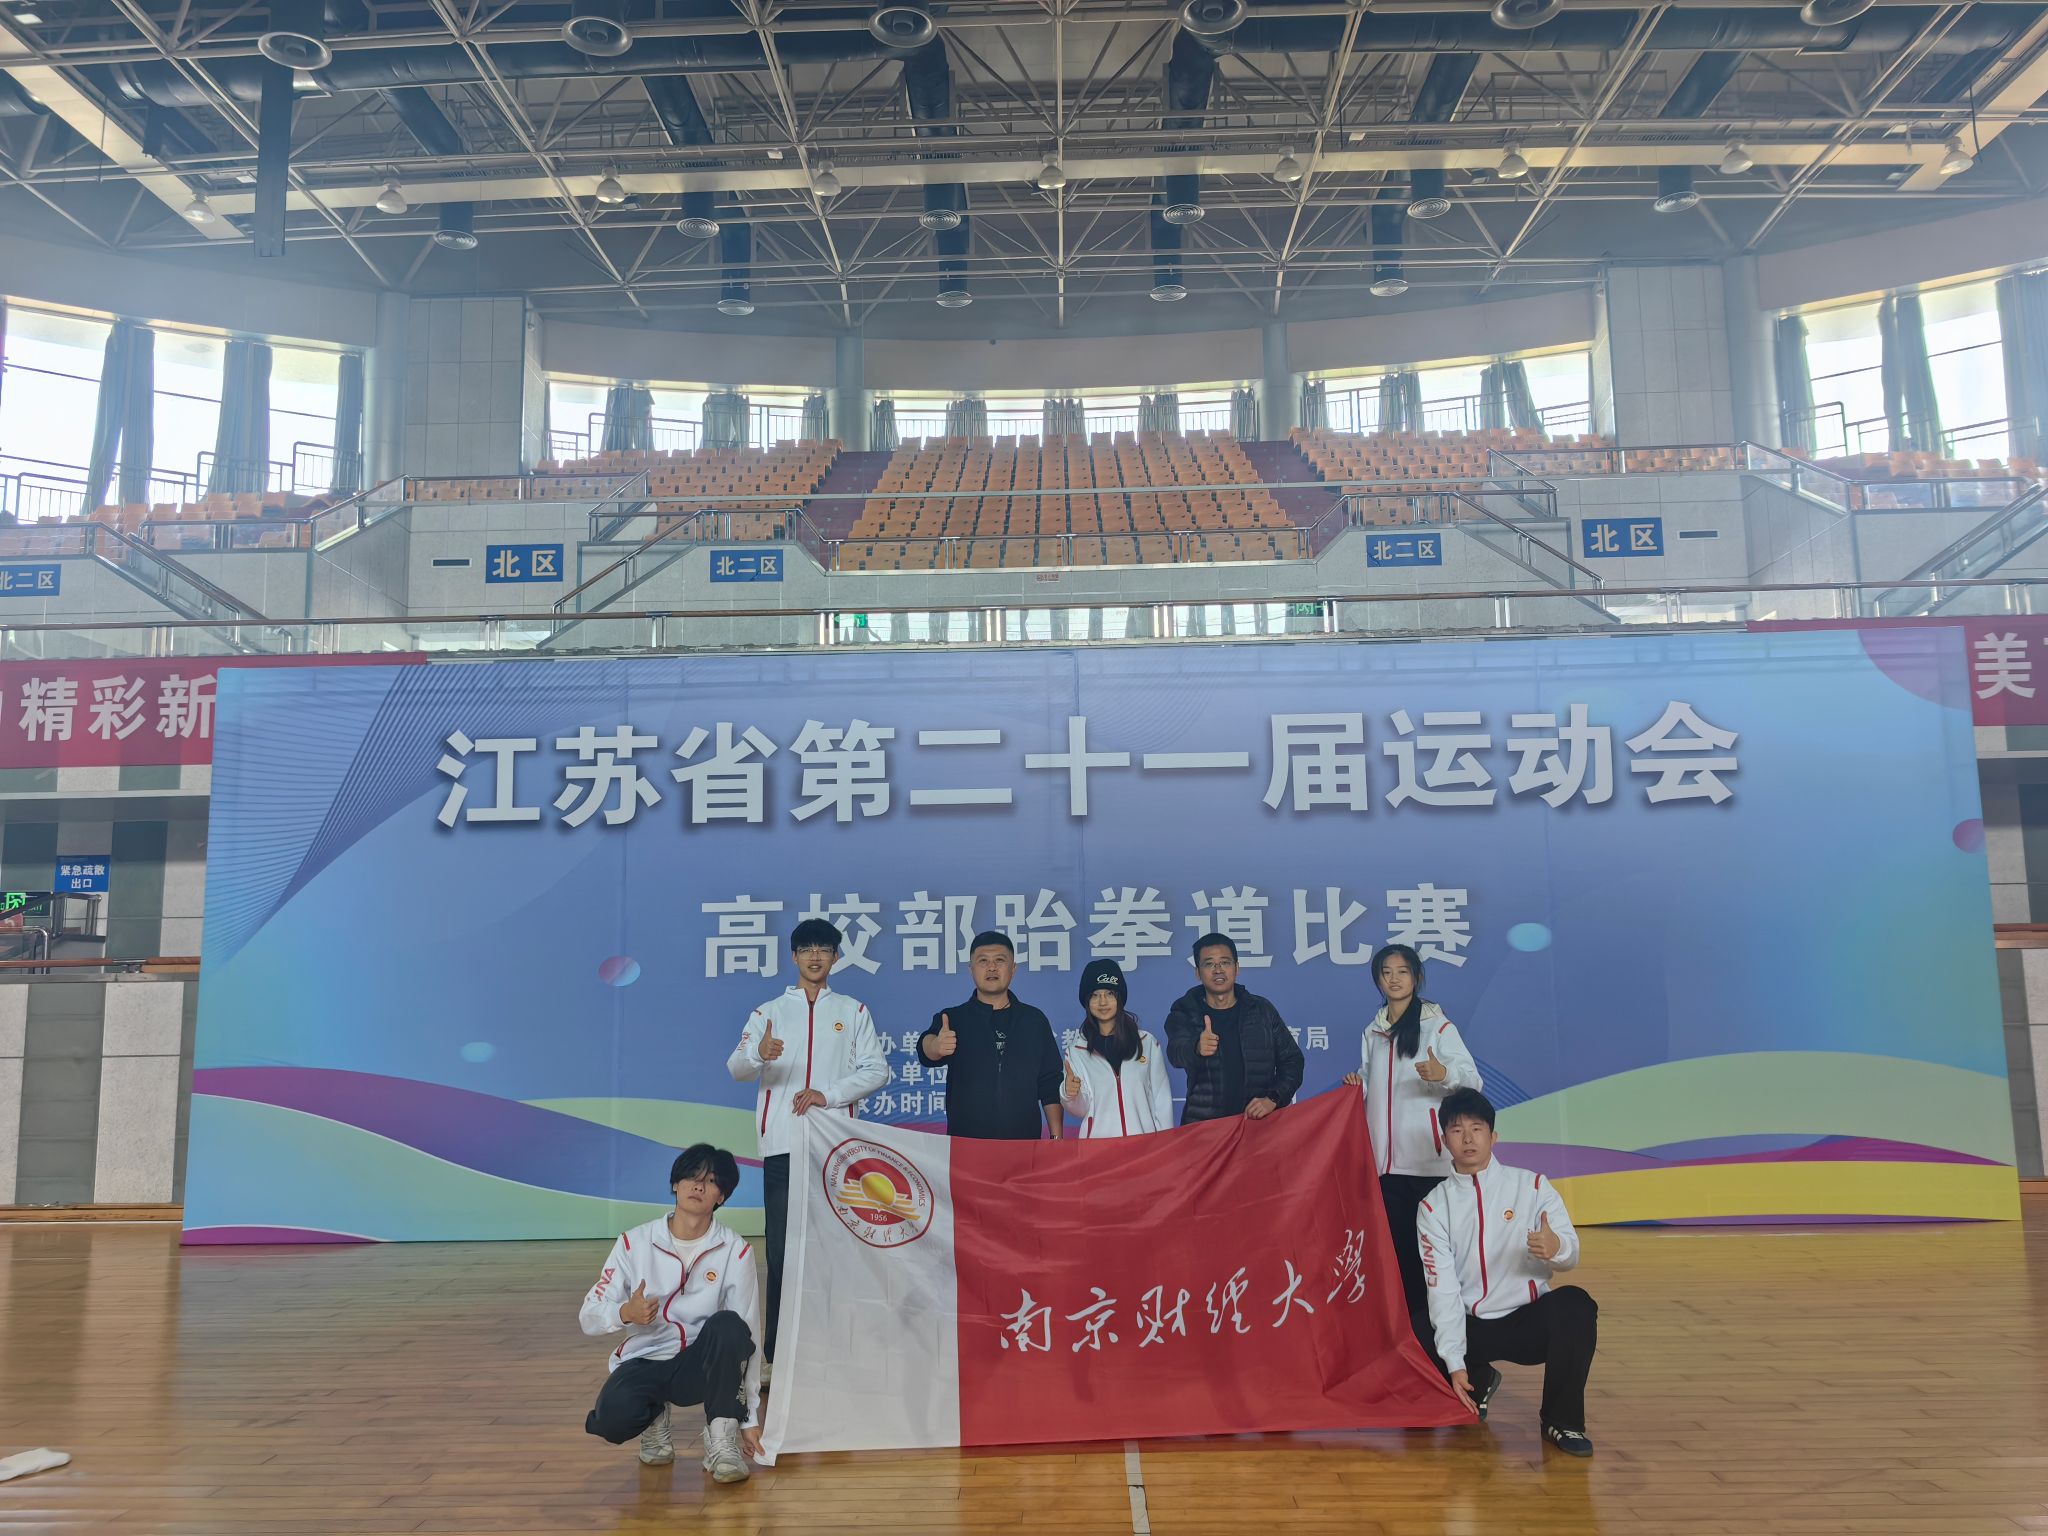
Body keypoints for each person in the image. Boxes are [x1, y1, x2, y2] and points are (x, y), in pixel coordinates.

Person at [726, 917, 890, 1380]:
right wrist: (758, 1053)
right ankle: (777, 1356)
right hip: (783, 1147)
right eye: (806, 949)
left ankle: (837, 1348)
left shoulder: (853, 1011)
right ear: (794, 956)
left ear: (836, 957)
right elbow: (736, 1067)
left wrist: (827, 1095)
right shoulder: (768, 1013)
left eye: (824, 949)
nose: (815, 957)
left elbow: (877, 1070)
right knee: (782, 1255)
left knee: (837, 1249)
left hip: (835, 1151)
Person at [1416, 1088, 1598, 1458]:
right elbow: (1442, 1288)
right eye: (1457, 1130)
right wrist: (1454, 1364)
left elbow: (1570, 1252)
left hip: (1525, 1322)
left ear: (1493, 1136)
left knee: (1576, 1305)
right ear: (1444, 1140)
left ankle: (1561, 1421)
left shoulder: (1532, 1186)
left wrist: (1556, 1248)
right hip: (1472, 1325)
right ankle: (1477, 1378)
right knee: (1414, 1329)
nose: (1468, 1139)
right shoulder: (1433, 1207)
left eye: (1477, 1129)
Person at [579, 1144, 765, 1482]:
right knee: (611, 1420)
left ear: (722, 1196)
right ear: (676, 1184)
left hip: (699, 1365)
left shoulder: (736, 1251)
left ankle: (721, 1442)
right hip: (645, 1359)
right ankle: (653, 1416)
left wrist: (749, 1419)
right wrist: (625, 1312)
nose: (699, 1186)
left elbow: (749, 1334)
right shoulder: (633, 1243)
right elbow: (588, 1315)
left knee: (730, 1326)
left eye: (711, 1181)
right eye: (691, 1177)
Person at [1341, 943, 1482, 1336]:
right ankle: (1415, 1344)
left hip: (1428, 1166)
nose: (1394, 979)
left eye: (1402, 971)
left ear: (1417, 977)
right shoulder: (1373, 1031)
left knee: (1436, 1260)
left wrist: (1444, 1075)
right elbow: (1372, 1081)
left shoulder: (1438, 1027)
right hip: (1386, 1169)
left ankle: (1459, 1348)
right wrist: (1357, 1085)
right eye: (1386, 972)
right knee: (1401, 1260)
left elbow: (1473, 1081)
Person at [917, 931, 1064, 1140]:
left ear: (1013, 969)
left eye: (1000, 960)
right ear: (971, 969)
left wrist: (1056, 1138)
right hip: (966, 1147)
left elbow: (1050, 1083)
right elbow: (925, 1049)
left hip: (1024, 1145)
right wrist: (935, 1046)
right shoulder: (954, 1018)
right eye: (983, 961)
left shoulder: (1034, 1020)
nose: (992, 967)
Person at [1164, 932, 1304, 1125]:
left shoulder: (1261, 1010)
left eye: (1225, 962)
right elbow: (1175, 1053)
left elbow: (1292, 1061)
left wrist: (1273, 1098)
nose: (1218, 970)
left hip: (1258, 1126)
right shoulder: (1185, 1011)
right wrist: (1196, 1047)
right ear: (1198, 972)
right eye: (1209, 964)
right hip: (1204, 1128)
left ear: (1237, 968)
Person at [1061, 957, 1174, 1138]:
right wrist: (1070, 1094)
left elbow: (1162, 1100)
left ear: (1120, 997)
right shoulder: (1076, 1051)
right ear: (1087, 1001)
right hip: (1098, 1150)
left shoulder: (1147, 1043)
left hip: (1144, 1148)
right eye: (1095, 995)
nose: (1102, 1002)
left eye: (1109, 993)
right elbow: (1080, 1109)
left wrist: (1164, 1143)